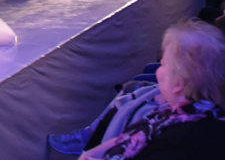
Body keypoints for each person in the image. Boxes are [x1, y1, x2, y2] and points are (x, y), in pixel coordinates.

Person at [77, 19, 225, 160]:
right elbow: (125, 139)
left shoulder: (179, 144)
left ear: (179, 84)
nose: (158, 71)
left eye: (163, 64)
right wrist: (89, 154)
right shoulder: (190, 113)